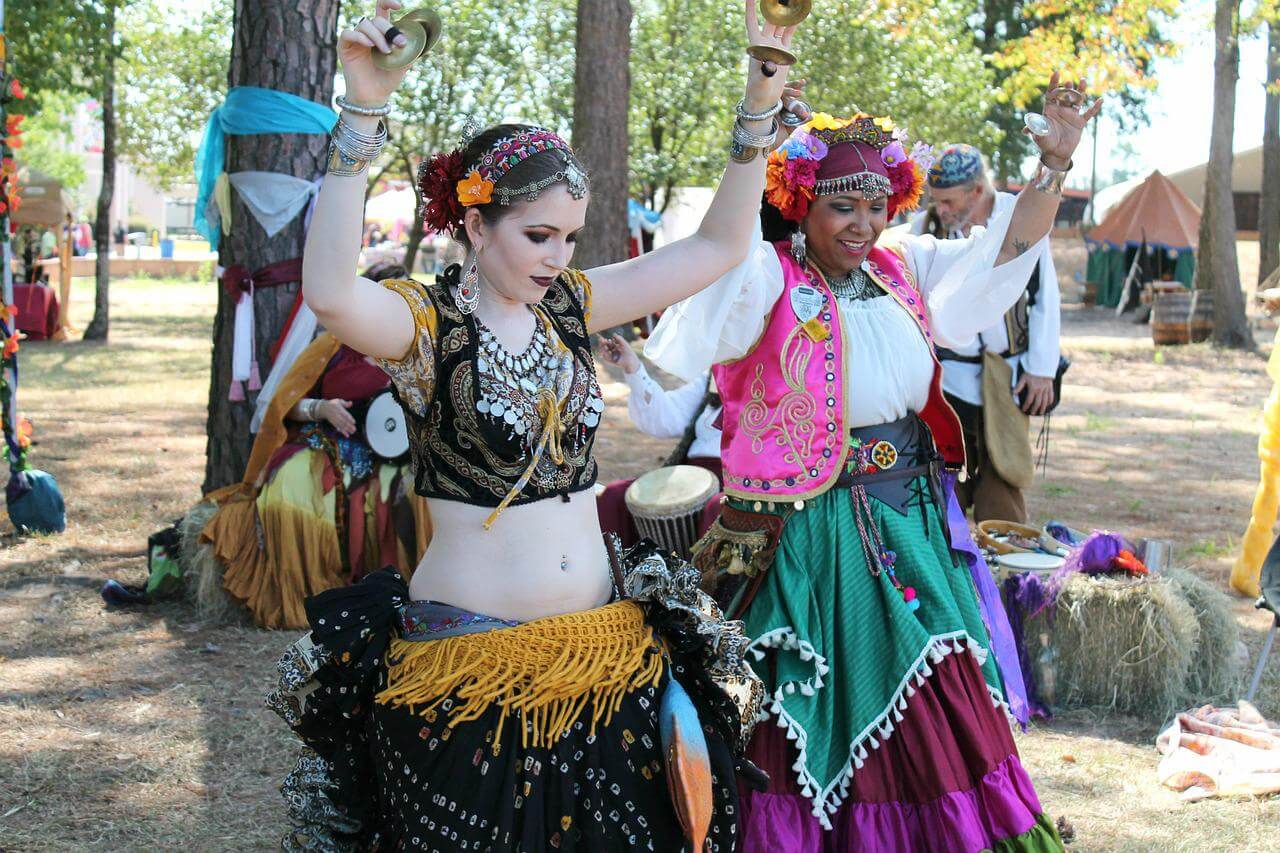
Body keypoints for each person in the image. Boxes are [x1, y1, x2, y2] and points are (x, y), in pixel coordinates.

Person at [265, 2, 805, 849]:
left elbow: (717, 248)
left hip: (603, 658)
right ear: (476, 226)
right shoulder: (427, 327)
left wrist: (759, 99)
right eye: (538, 234)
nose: (558, 254)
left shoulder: (570, 307)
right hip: (470, 673)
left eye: (571, 236)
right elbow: (331, 290)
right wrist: (362, 107)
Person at [647, 80, 1100, 851]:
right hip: (811, 535)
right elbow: (710, 295)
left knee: (939, 693)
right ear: (802, 205)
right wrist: (755, 145)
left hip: (911, 517)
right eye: (840, 207)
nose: (862, 224)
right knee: (813, 710)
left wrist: (1051, 165)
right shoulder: (767, 276)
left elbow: (1004, 254)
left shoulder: (903, 268)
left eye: (874, 205)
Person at [202, 264, 432, 630]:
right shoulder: (332, 346)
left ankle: (413, 596)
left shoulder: (419, 350)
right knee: (291, 488)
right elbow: (284, 403)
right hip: (331, 443)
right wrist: (320, 408)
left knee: (420, 497)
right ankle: (314, 594)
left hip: (400, 453)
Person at [910, 144, 1062, 523]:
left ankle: (1007, 570)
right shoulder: (926, 228)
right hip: (945, 377)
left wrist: (1041, 369)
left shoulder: (1019, 218)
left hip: (1005, 374)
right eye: (936, 200)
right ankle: (950, 571)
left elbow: (1044, 294)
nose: (940, 209)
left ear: (977, 190)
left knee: (1003, 477)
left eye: (948, 200)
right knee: (943, 479)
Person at [595, 334, 723, 547]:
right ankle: (612, 578)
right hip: (689, 475)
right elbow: (667, 417)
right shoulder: (718, 373)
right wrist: (632, 368)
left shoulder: (788, 380)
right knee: (614, 496)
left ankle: (704, 580)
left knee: (716, 508)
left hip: (740, 484)